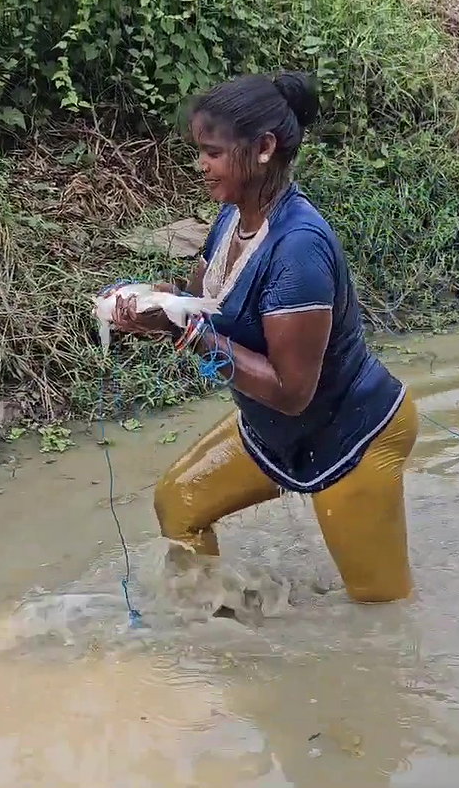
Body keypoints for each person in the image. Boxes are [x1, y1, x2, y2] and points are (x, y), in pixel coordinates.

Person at [108, 71, 418, 604]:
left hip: (351, 439)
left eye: (212, 153)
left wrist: (196, 336)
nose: (200, 166)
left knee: (381, 610)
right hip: (274, 432)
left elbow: (292, 390)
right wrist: (161, 311)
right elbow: (201, 303)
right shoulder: (232, 218)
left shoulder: (298, 249)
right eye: (198, 152)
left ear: (265, 148)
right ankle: (219, 635)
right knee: (180, 503)